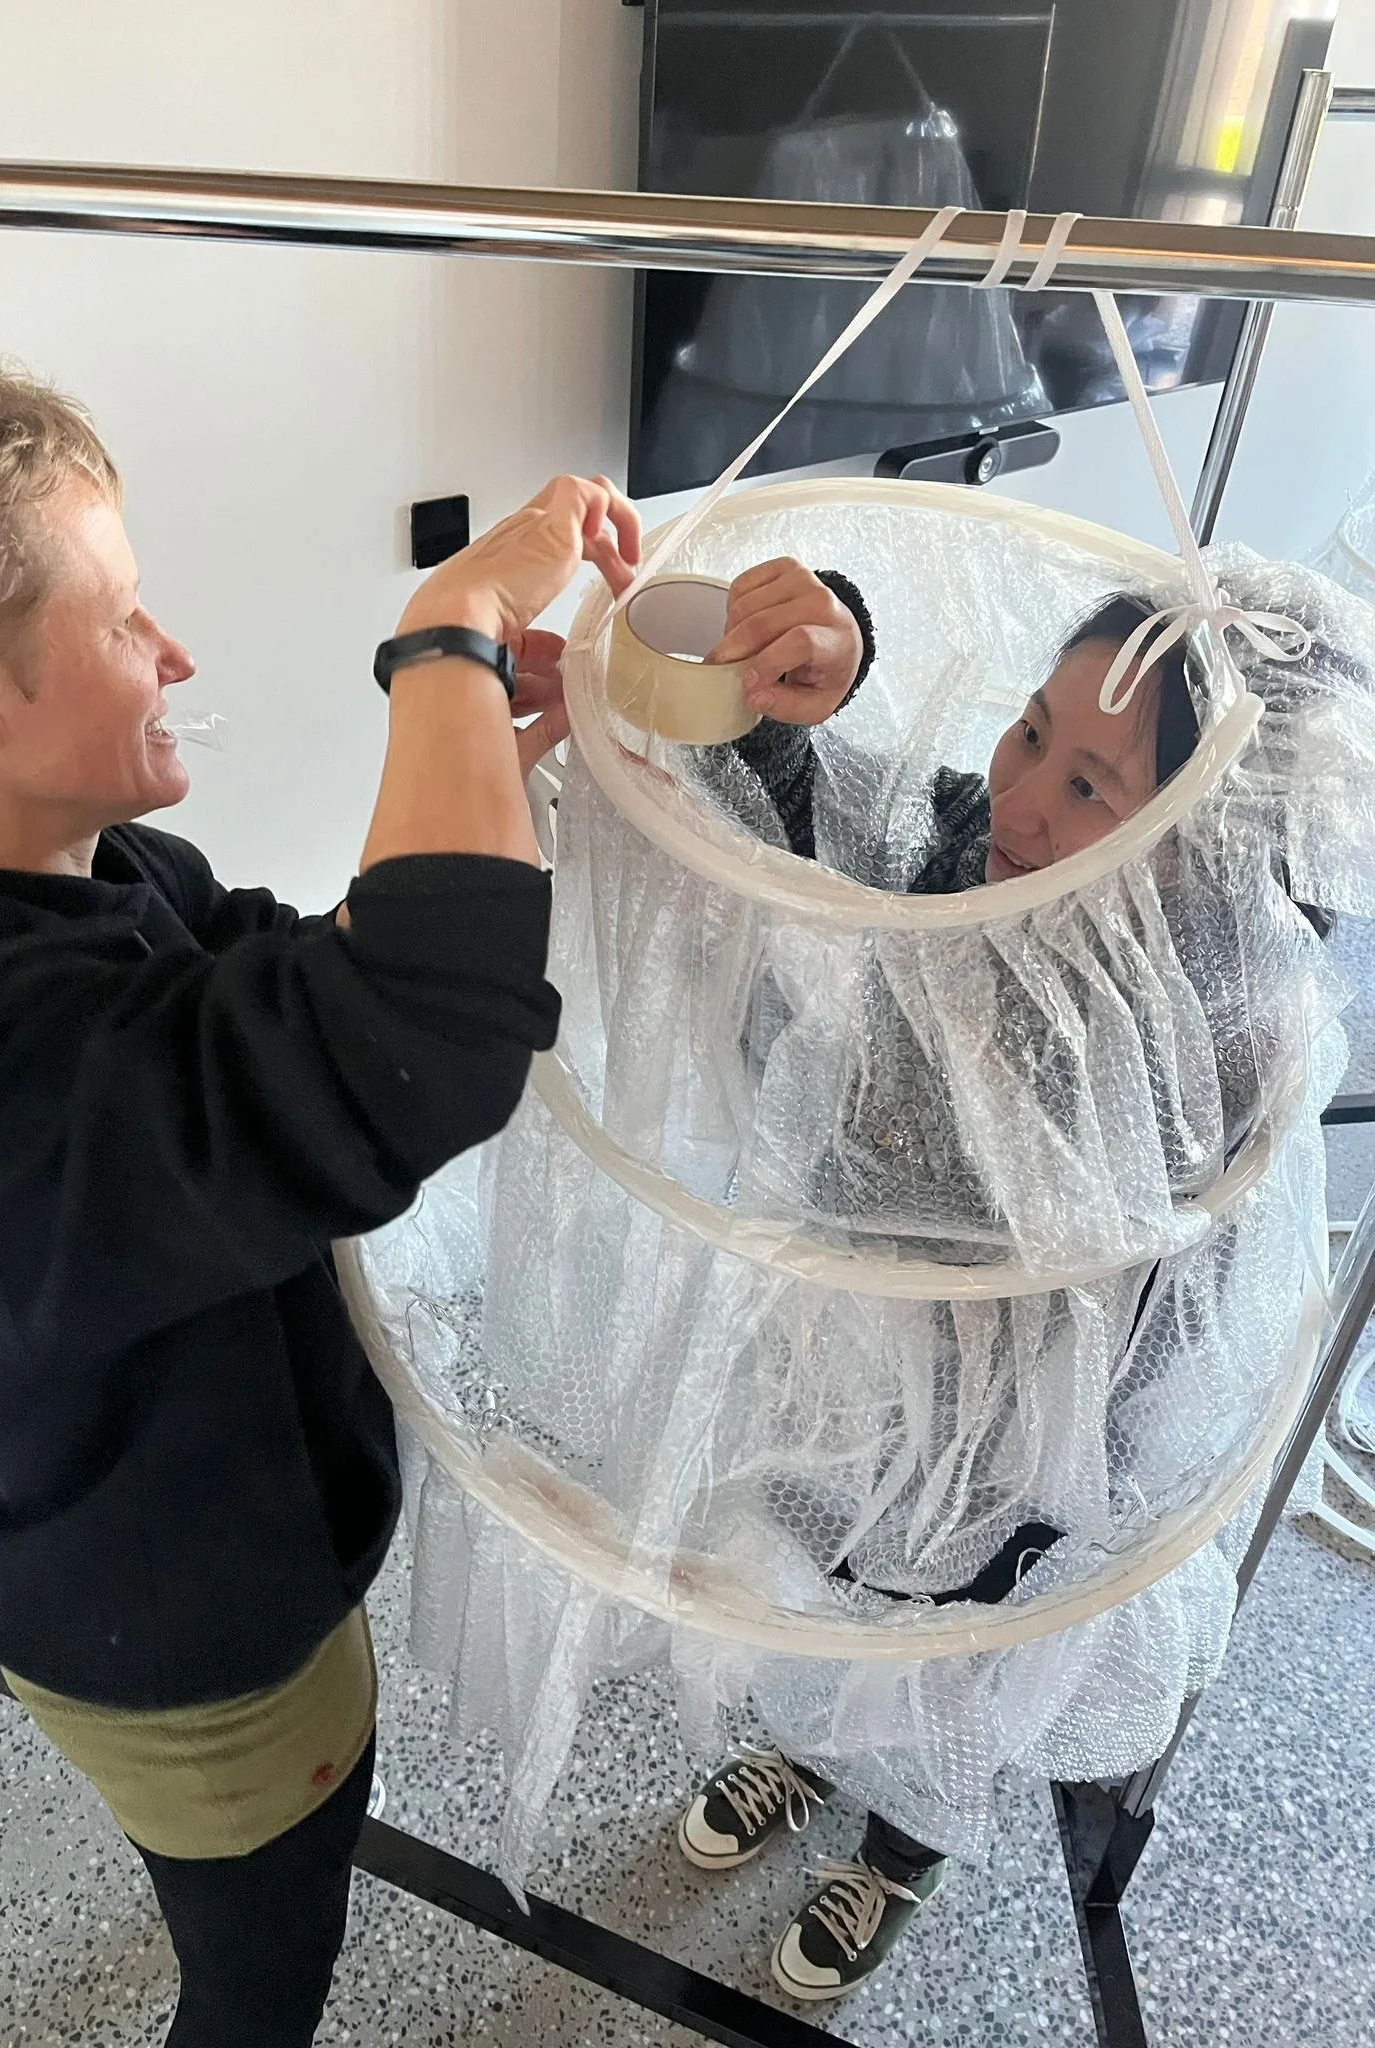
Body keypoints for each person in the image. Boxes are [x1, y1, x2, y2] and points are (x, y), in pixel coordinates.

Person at [0, 325, 641, 2048]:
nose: (171, 646)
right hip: (185, 1638)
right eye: (120, 615)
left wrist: (485, 749)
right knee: (263, 1960)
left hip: (122, 1515)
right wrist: (445, 632)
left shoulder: (55, 856)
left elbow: (299, 986)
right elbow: (413, 1038)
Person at [521, 555, 1222, 2002]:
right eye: (1031, 732)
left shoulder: (1188, 1021)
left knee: (949, 1649)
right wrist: (817, 634)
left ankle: (905, 1842)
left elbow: (1165, 1308)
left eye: (1094, 788)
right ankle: (799, 1745)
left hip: (1014, 1452)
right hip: (830, 1364)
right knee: (817, 1593)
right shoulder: (958, 847)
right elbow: (809, 798)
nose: (1026, 800)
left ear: (1185, 845)